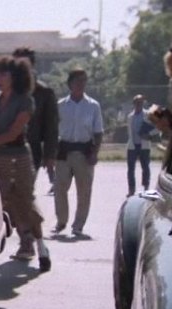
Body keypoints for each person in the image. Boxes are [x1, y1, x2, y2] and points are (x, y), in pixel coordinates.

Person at [0, 56, 50, 269]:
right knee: (0, 202)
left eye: (3, 74)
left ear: (15, 76)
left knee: (25, 201)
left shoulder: (24, 100)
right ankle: (16, 243)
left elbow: (14, 132)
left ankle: (41, 246)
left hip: (17, 157)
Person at [54, 69, 104, 238]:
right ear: (70, 84)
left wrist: (95, 153)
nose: (81, 84)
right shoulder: (61, 105)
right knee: (60, 188)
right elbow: (53, 130)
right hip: (64, 151)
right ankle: (61, 220)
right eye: (77, 81)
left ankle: (78, 225)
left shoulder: (93, 106)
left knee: (84, 191)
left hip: (84, 151)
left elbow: (98, 132)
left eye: (83, 81)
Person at [12, 47, 59, 195]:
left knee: (24, 194)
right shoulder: (7, 90)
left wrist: (50, 156)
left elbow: (51, 126)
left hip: (31, 150)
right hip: (4, 149)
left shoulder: (44, 92)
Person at [126, 94, 156, 196]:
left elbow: (157, 128)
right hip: (132, 145)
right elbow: (129, 131)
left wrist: (149, 134)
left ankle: (146, 187)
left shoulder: (148, 115)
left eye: (141, 102)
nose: (139, 104)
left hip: (144, 145)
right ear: (134, 104)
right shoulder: (130, 116)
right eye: (137, 103)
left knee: (145, 167)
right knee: (131, 169)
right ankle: (131, 189)